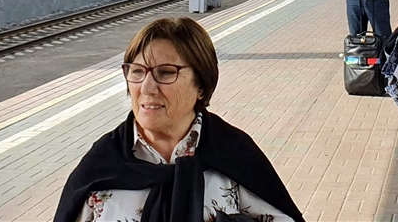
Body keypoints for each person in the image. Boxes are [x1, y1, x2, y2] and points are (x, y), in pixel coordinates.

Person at [54, 17, 305, 222]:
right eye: (138, 72)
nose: (146, 87)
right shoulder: (101, 163)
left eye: (165, 73)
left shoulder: (235, 153)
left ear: (201, 86)